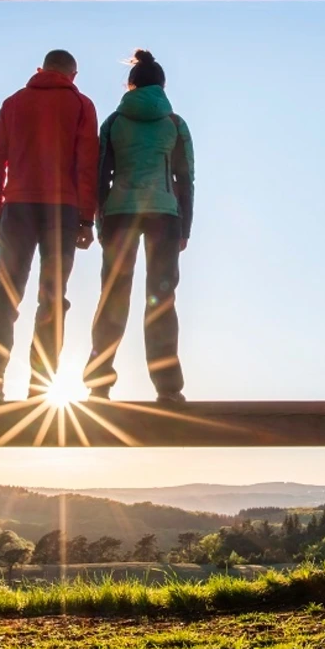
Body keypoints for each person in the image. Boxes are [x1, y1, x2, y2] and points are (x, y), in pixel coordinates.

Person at [0, 50, 98, 403]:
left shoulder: (13, 103)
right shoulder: (81, 105)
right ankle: (38, 388)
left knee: (5, 295)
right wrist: (86, 218)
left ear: (41, 69)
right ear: (73, 75)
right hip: (63, 210)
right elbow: (87, 163)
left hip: (17, 208)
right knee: (53, 299)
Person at [83, 49, 195, 404]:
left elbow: (100, 175)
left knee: (112, 297)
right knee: (161, 300)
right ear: (162, 86)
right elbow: (185, 179)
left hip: (120, 213)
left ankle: (98, 385)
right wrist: (185, 228)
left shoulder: (114, 122)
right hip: (165, 214)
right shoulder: (174, 123)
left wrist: (100, 221)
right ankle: (168, 389)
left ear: (130, 85)